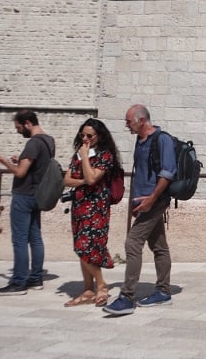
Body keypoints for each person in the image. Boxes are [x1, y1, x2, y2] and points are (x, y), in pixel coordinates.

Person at [103, 104, 176, 314]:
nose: (126, 126)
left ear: (141, 120)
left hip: (155, 200)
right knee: (159, 246)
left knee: (133, 242)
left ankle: (127, 297)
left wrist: (151, 199)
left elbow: (168, 173)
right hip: (143, 202)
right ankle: (163, 292)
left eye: (129, 121)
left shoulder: (162, 140)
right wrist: (135, 201)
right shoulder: (140, 140)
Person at [0, 110, 55, 295]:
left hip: (24, 196)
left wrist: (5, 162)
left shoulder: (33, 143)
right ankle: (36, 278)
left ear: (28, 123)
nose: (19, 131)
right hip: (37, 195)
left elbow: (20, 173)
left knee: (19, 240)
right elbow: (37, 166)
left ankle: (18, 282)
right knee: (35, 238)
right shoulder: (49, 141)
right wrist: (19, 160)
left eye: (19, 128)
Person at [61, 118, 120, 307]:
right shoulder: (78, 154)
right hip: (79, 206)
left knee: (86, 246)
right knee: (81, 247)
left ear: (99, 136)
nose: (85, 139)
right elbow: (67, 180)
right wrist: (82, 181)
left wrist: (85, 158)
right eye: (82, 135)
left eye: (89, 136)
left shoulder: (105, 155)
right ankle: (88, 289)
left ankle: (101, 285)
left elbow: (92, 178)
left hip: (96, 207)